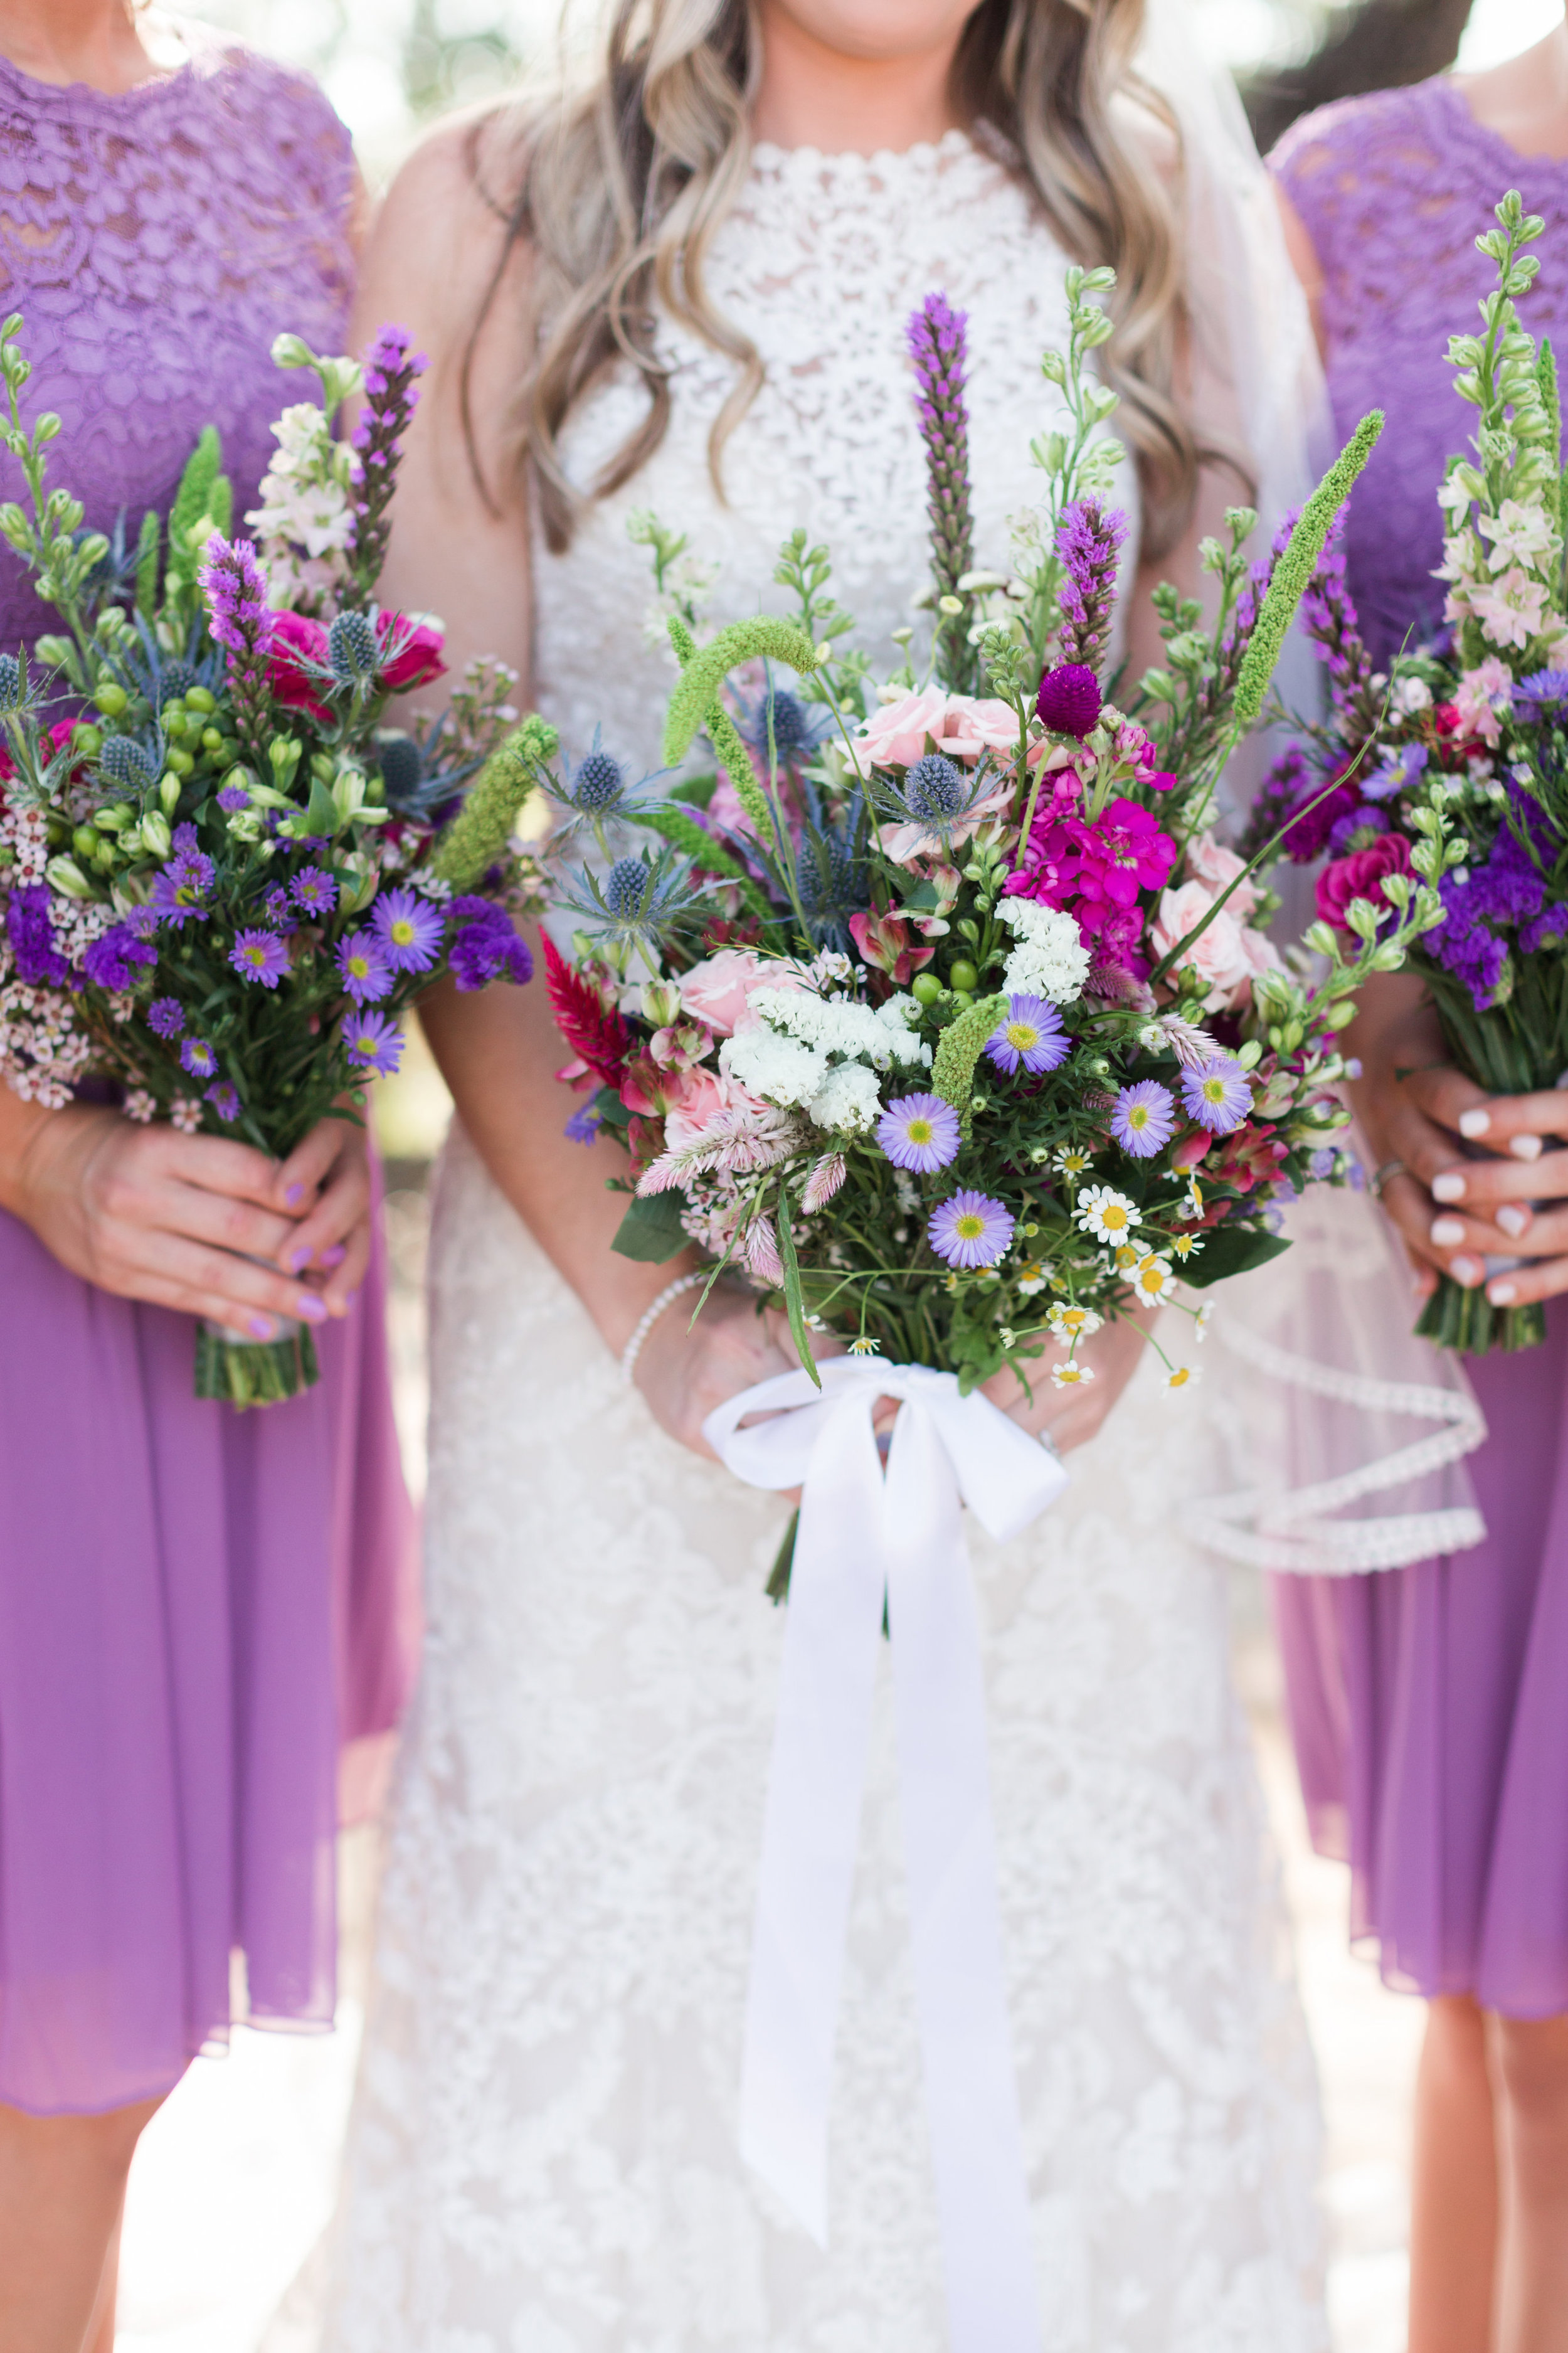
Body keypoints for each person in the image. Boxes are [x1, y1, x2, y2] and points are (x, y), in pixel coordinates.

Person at [322, 3, 1328, 2345]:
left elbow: (1209, 845)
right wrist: (684, 1334)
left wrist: (1079, 1317)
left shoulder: (1170, 215)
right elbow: (450, 837)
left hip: (1056, 1362)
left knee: (1046, 2034)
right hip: (608, 1354)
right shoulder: (483, 217)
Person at [0, 9, 415, 2351]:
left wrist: (322, 1045)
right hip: (38, 1209)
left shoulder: (283, 138)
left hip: (224, 1217)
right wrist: (43, 1151)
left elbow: (341, 673)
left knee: (99, 2056)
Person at [1270, 24, 1568, 2353]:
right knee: (1499, 2000)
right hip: (1474, 1210)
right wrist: (1375, 1042)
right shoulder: (1348, 189)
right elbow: (1270, 719)